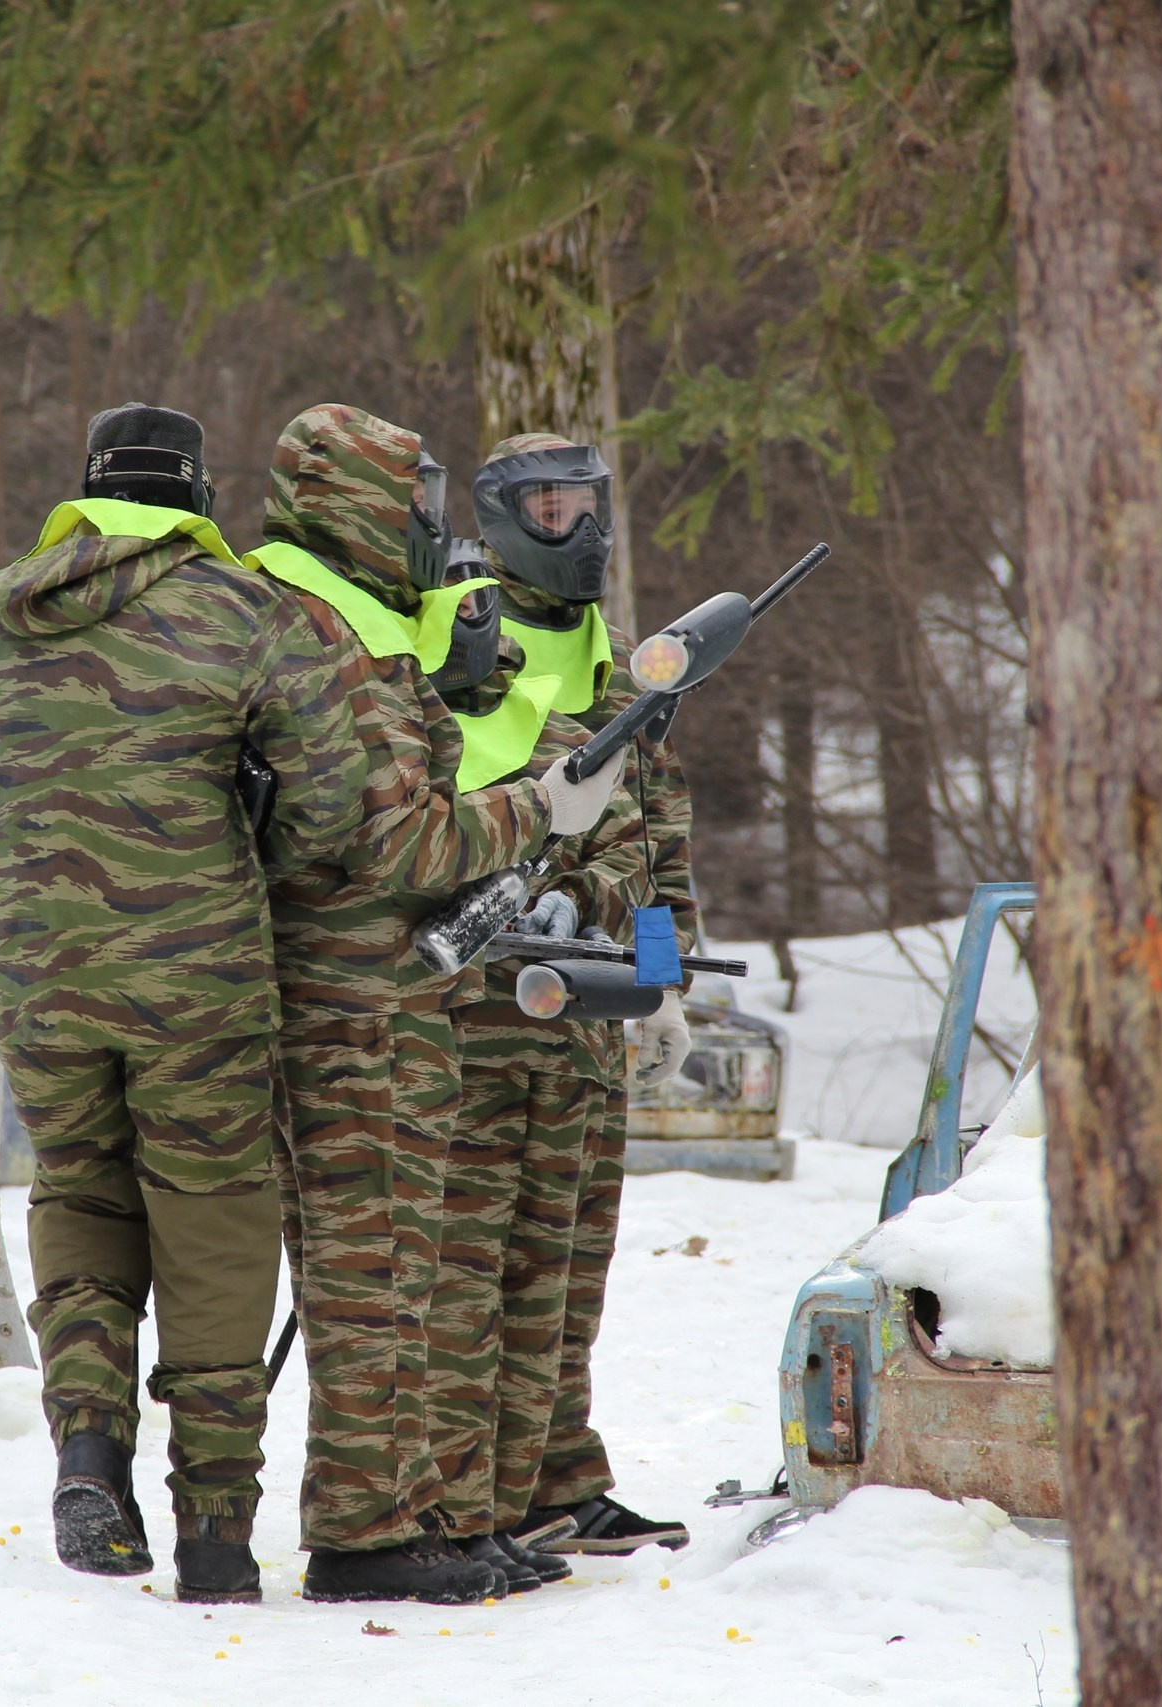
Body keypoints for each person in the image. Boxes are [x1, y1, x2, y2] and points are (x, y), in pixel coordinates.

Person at [0, 403, 413, 1605]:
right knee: (212, 1225)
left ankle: (88, 1455)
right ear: (197, 495)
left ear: (89, 489)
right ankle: (212, 1530)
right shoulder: (243, 613)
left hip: (36, 979)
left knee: (80, 1196)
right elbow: (329, 813)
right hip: (195, 980)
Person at [244, 405, 626, 1604]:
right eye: (409, 498)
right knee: (379, 1281)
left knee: (408, 1280)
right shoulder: (321, 631)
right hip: (354, 1006)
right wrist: (540, 811)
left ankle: (423, 1518)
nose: (426, 521)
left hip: (393, 1001)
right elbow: (399, 843)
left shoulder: (349, 621)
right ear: (355, 503)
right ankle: (366, 1533)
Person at [467, 433, 699, 1557]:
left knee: (570, 1266)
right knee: (488, 1271)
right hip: (487, 1018)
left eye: (592, 504)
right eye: (555, 509)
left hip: (597, 1021)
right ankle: (481, 1492)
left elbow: (656, 848)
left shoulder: (624, 666)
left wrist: (664, 979)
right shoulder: (464, 644)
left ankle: (559, 1477)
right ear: (503, 518)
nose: (584, 529)